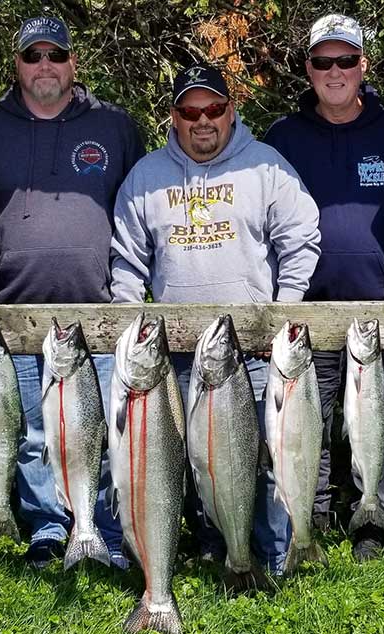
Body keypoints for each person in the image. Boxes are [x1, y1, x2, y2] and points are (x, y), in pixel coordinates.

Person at [110, 63, 321, 574]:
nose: (202, 120)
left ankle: (275, 554)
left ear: (231, 111)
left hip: (250, 350)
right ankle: (215, 548)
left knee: (264, 458)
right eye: (189, 110)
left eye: (213, 109)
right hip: (175, 356)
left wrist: (284, 312)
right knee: (195, 459)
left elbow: (302, 238)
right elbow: (127, 260)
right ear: (173, 117)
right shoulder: (145, 177)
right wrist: (130, 320)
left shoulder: (267, 167)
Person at [0, 15, 145, 569]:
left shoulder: (115, 127)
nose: (46, 64)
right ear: (16, 64)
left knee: (103, 433)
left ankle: (108, 533)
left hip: (101, 314)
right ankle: (47, 526)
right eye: (33, 55)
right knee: (32, 436)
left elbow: (139, 214)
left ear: (73, 63)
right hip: (12, 314)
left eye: (56, 55)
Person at [263, 13, 384, 561]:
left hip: (376, 312)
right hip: (304, 310)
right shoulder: (282, 137)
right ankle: (317, 512)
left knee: (369, 422)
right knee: (310, 419)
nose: (335, 71)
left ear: (363, 65)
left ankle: (369, 516)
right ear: (308, 68)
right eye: (323, 61)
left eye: (346, 60)